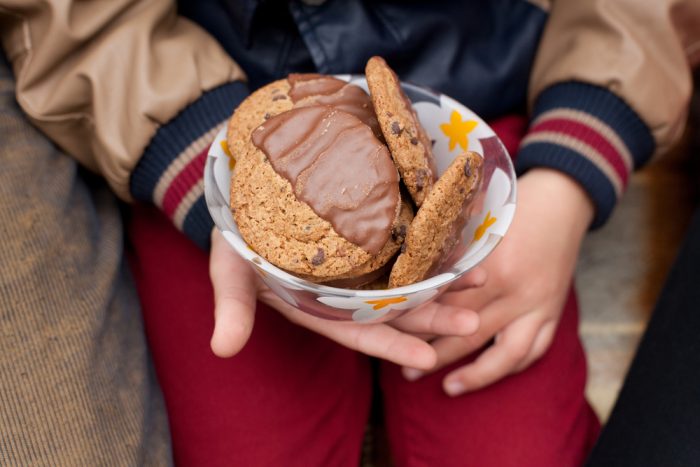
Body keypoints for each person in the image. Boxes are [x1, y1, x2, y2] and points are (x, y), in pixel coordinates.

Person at [0, 0, 697, 466]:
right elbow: (79, 21)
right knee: (243, 443)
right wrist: (209, 169)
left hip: (496, 108)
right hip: (201, 123)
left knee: (514, 445)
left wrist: (569, 172)